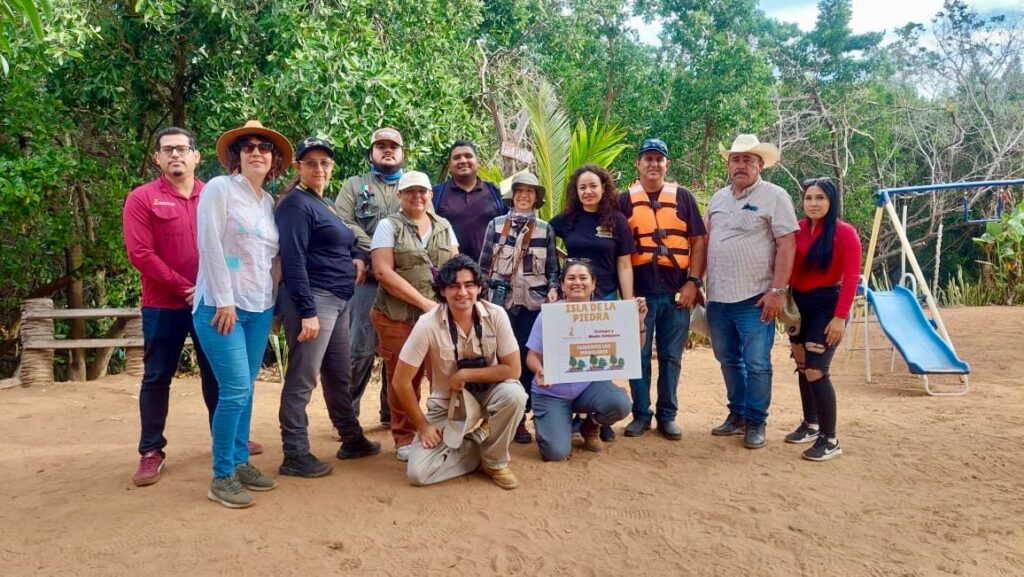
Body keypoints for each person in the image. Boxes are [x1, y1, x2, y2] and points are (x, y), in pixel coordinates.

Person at [124, 127, 265, 487]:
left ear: (195, 156)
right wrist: (185, 287)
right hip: (165, 304)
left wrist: (223, 285)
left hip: (217, 300)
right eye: (167, 150)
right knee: (157, 376)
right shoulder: (143, 198)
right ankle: (151, 451)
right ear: (157, 157)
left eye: (182, 149)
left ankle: (229, 444)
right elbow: (140, 253)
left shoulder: (219, 193)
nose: (175, 155)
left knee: (218, 375)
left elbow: (231, 251)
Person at [193, 120, 290, 508]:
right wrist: (224, 298)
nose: (256, 152)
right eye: (247, 146)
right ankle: (221, 476)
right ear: (236, 156)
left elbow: (269, 259)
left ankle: (239, 461)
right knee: (233, 390)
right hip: (222, 309)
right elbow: (211, 245)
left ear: (274, 160)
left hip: (259, 306)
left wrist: (275, 305)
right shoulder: (220, 189)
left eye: (264, 147)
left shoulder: (267, 202)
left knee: (246, 389)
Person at [274, 137, 382, 479]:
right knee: (303, 377)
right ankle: (295, 453)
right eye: (311, 163)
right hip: (314, 299)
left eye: (325, 163)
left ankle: (351, 438)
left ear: (332, 168)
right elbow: (293, 260)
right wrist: (306, 310)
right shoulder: (295, 205)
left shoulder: (327, 203)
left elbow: (344, 240)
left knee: (339, 373)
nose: (319, 168)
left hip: (339, 299)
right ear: (299, 168)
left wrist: (358, 256)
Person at [394, 255, 527, 489]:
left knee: (515, 395)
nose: (462, 292)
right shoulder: (427, 323)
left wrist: (465, 375)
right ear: (442, 291)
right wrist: (423, 426)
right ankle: (478, 444)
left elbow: (513, 369)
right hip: (448, 403)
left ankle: (495, 461)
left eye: (469, 285)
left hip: (489, 394)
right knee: (419, 474)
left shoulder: (495, 314)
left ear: (479, 288)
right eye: (454, 286)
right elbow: (400, 382)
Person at [706, 134, 799, 450]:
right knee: (728, 358)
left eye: (748, 159)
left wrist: (777, 290)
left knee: (757, 362)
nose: (741, 164)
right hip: (719, 297)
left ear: (760, 164)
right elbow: (706, 243)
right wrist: (698, 281)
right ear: (729, 164)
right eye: (736, 159)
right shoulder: (717, 199)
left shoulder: (775, 196)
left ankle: (757, 421)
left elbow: (787, 243)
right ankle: (738, 414)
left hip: (756, 296)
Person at [617, 139, 707, 441]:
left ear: (666, 164)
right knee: (637, 356)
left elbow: (697, 241)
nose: (653, 164)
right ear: (638, 164)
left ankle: (667, 415)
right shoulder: (624, 200)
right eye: (647, 159)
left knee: (671, 356)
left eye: (659, 159)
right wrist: (625, 296)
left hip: (676, 294)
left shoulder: (682, 197)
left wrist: (693, 282)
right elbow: (615, 246)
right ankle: (641, 414)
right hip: (640, 295)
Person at [370, 171, 458, 462]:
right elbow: (383, 271)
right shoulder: (388, 226)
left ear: (431, 195)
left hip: (439, 319)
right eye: (410, 192)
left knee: (442, 376)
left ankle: (441, 429)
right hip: (397, 316)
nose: (417, 197)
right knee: (403, 376)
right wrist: (424, 303)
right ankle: (405, 435)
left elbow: (455, 269)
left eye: (422, 191)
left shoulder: (444, 226)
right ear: (400, 196)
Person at [525, 261, 643, 461]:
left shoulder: (608, 313)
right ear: (562, 285)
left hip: (587, 388)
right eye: (571, 278)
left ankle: (591, 424)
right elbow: (532, 356)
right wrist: (539, 370)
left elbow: (634, 349)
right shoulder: (550, 314)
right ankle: (552, 422)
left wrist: (639, 321)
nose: (577, 282)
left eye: (583, 278)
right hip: (551, 392)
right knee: (555, 453)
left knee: (620, 404)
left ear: (593, 283)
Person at [478, 172, 560, 444]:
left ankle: (520, 419)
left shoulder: (545, 228)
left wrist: (553, 288)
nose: (524, 196)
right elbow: (483, 266)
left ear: (537, 197)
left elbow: (553, 271)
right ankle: (493, 418)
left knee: (525, 361)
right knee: (498, 360)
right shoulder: (495, 225)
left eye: (530, 191)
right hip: (500, 306)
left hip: (532, 307)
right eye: (519, 191)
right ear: (512, 195)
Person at [785, 177, 861, 461]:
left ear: (831, 201)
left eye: (820, 198)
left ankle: (830, 439)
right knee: (803, 365)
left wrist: (840, 317)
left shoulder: (844, 233)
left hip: (827, 304)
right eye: (809, 198)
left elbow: (852, 276)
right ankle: (811, 423)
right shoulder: (798, 229)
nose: (813, 203)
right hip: (799, 303)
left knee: (817, 369)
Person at [335, 127, 405, 427]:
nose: (387, 150)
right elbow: (343, 221)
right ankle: (348, 420)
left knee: (398, 347)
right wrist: (376, 248)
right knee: (359, 348)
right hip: (366, 277)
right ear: (371, 153)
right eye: (381, 146)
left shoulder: (413, 184)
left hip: (403, 278)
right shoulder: (355, 184)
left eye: (393, 146)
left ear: (402, 153)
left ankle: (393, 415)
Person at [432, 140, 506, 262]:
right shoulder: (435, 195)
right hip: (452, 274)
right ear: (450, 166)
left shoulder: (496, 194)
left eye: (468, 156)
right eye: (456, 158)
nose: (463, 161)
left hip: (490, 273)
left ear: (478, 162)